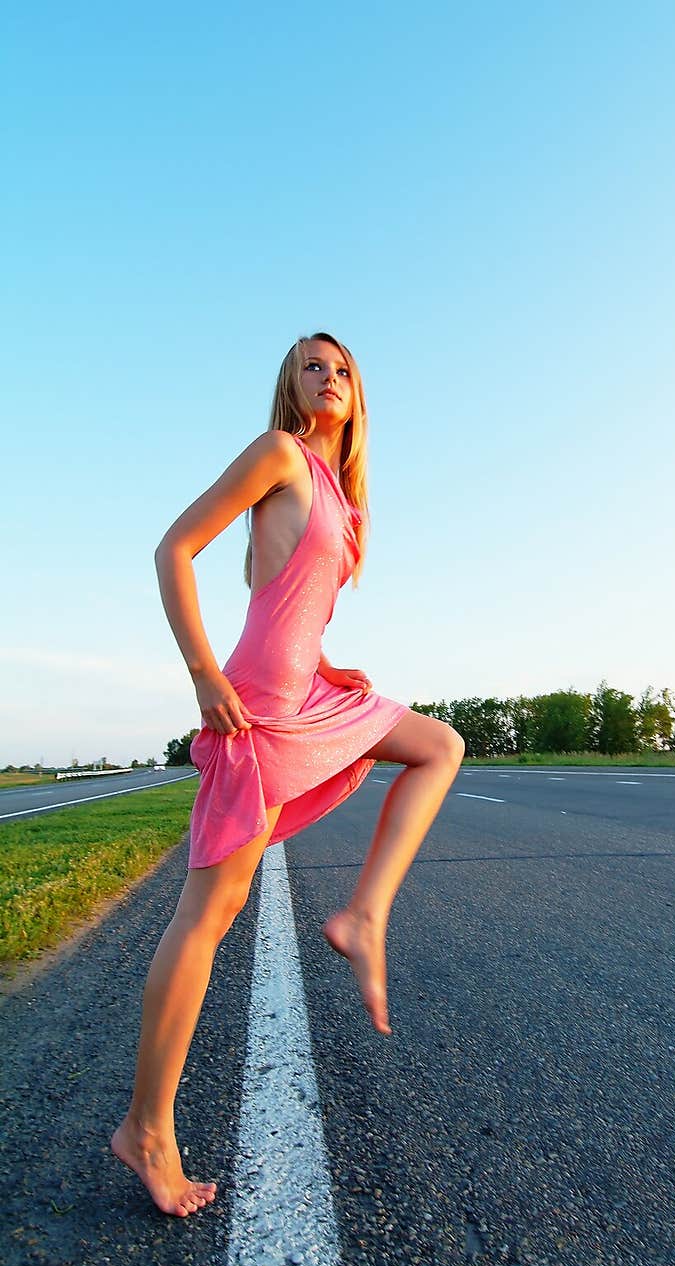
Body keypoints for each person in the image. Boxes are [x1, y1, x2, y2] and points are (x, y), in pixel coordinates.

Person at [111, 333, 465, 1217]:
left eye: (343, 368)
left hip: (305, 690)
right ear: (289, 384)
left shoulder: (349, 502)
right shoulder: (280, 454)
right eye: (314, 365)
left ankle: (362, 915)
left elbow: (301, 608)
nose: (330, 376)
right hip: (255, 704)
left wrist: (324, 670)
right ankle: (145, 1130)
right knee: (206, 918)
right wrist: (203, 675)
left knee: (439, 744)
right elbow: (172, 550)